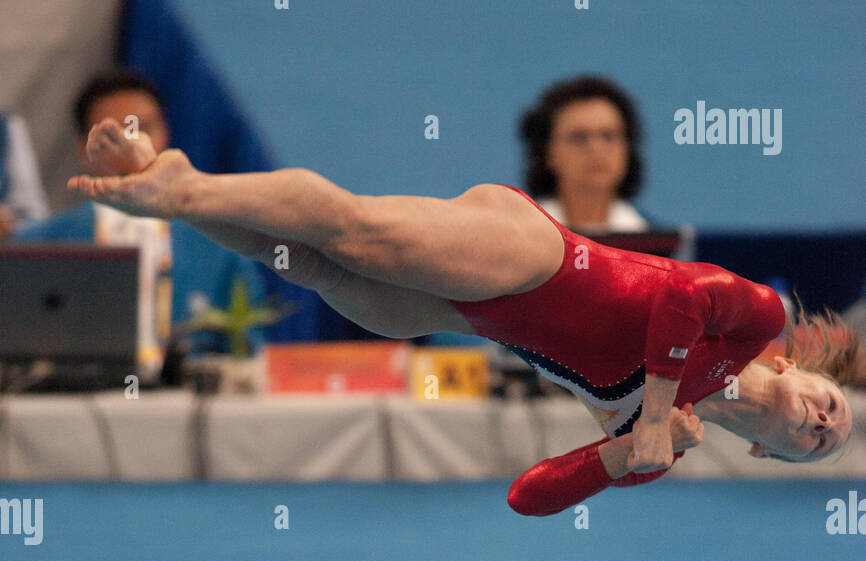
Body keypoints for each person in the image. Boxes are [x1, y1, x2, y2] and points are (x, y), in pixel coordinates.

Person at [69, 121, 863, 512]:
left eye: (818, 446)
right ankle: (183, 184)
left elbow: (528, 496)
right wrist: (655, 413)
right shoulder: (756, 326)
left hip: (466, 312)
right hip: (532, 257)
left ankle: (169, 198)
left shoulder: (663, 444)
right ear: (797, 370)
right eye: (834, 410)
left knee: (308, 263)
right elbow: (684, 298)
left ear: (766, 455)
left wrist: (624, 458)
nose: (827, 425)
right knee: (355, 228)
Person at [14, 70, 265, 351]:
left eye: (143, 129)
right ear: (83, 148)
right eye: (112, 135)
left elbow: (247, 358)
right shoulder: (31, 248)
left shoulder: (222, 247)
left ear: (165, 135)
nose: (131, 145)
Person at [518, 76, 648, 233]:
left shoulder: (664, 250)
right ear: (548, 152)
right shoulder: (517, 243)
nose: (596, 148)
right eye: (579, 137)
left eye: (608, 136)